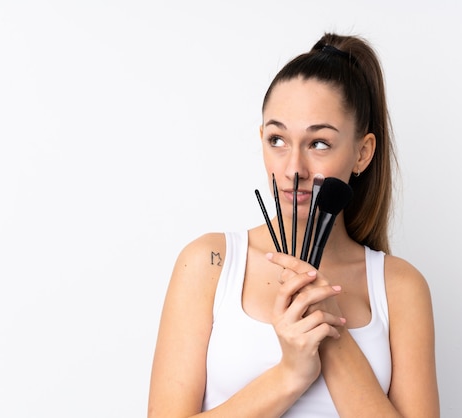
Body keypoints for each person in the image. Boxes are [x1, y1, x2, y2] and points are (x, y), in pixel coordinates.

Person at [148, 33, 439, 418]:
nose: (293, 169)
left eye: (319, 143)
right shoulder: (211, 264)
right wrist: (289, 374)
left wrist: (329, 328)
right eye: (277, 139)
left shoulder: (399, 287)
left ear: (362, 153)